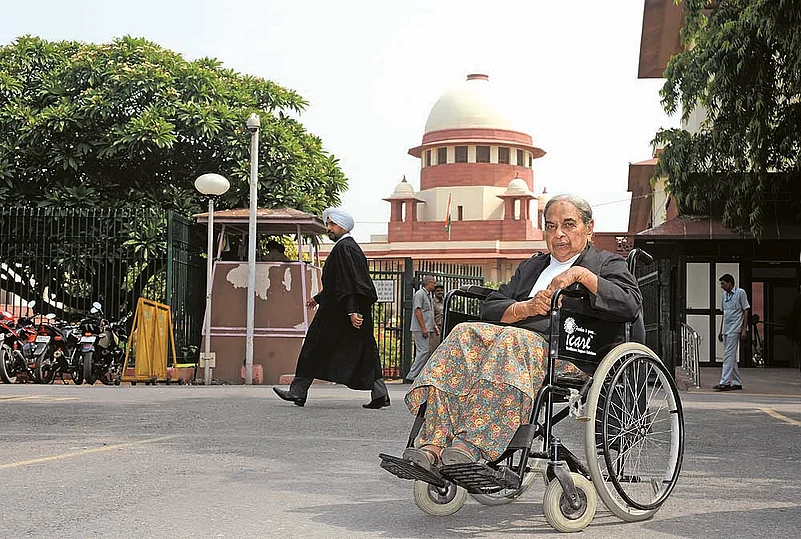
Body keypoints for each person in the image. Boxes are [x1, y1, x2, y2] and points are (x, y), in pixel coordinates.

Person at [401, 194, 642, 468]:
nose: (558, 234)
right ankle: (433, 444)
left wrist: (580, 275)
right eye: (551, 226)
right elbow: (492, 306)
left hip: (571, 352)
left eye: (568, 225)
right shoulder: (533, 266)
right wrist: (526, 308)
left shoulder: (606, 264)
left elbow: (629, 303)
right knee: (463, 334)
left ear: (589, 228)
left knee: (513, 340)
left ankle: (472, 445)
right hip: (514, 346)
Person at [273, 208, 390, 409]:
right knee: (365, 351)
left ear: (343, 227)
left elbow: (351, 282)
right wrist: (318, 298)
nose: (328, 228)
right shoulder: (346, 247)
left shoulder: (345, 248)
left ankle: (298, 391)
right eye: (328, 224)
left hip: (339, 314)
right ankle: (380, 395)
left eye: (332, 225)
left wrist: (352, 311)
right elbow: (339, 283)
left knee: (314, 347)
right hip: (342, 311)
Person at [714, 274, 750, 391]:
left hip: (735, 328)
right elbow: (724, 314)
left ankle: (725, 381)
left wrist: (744, 329)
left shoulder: (740, 293)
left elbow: (745, 310)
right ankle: (736, 381)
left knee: (728, 355)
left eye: (723, 283)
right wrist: (720, 330)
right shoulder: (724, 295)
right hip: (726, 329)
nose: (722, 286)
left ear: (730, 283)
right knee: (731, 357)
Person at [405, 275, 438, 381]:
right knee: (423, 351)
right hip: (420, 328)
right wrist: (423, 328)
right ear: (428, 283)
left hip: (427, 327)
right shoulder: (420, 294)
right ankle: (412, 375)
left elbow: (430, 313)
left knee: (425, 351)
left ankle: (417, 374)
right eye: (433, 282)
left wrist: (434, 326)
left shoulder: (428, 295)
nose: (434, 285)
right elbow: (417, 311)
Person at [429, 283, 445, 350]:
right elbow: (431, 316)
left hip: (444, 327)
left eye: (441, 290)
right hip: (436, 329)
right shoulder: (432, 303)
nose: (440, 292)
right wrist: (436, 327)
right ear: (434, 292)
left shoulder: (445, 301)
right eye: (438, 291)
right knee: (435, 348)